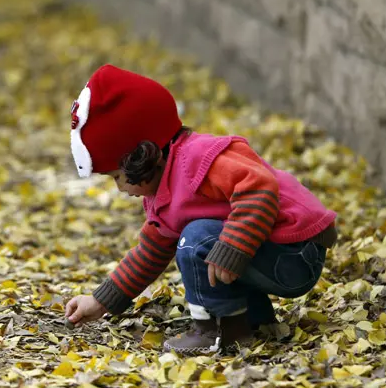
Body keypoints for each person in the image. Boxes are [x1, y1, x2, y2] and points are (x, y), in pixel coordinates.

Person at [64, 65, 337, 355]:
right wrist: (101, 300)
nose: (120, 188)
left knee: (197, 239)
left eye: (117, 176)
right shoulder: (162, 195)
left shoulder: (197, 157)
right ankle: (254, 320)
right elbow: (151, 252)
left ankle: (217, 330)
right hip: (277, 252)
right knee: (209, 239)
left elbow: (259, 187)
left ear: (141, 156)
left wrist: (234, 246)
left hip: (297, 250)